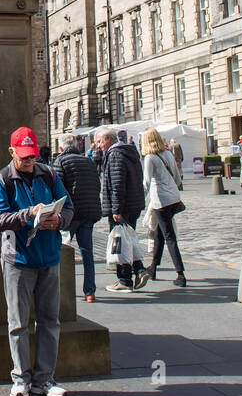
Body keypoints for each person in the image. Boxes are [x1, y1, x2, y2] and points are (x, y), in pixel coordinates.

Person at [0, 127, 73, 396]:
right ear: (11, 151)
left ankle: (44, 379)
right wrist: (28, 214)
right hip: (18, 259)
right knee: (18, 323)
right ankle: (20, 377)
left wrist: (58, 220)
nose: (29, 161)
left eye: (32, 156)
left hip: (49, 257)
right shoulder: (2, 180)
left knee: (50, 320)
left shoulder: (49, 175)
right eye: (24, 156)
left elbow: (70, 208)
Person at [95, 127, 148, 292]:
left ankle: (124, 280)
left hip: (122, 206)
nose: (98, 145)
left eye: (100, 141)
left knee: (120, 241)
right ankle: (139, 269)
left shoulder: (115, 154)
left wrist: (116, 209)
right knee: (129, 239)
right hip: (134, 203)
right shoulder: (129, 152)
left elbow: (117, 184)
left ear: (109, 139)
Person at [56, 134, 102, 303]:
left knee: (60, 251)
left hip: (71, 214)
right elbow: (96, 184)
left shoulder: (60, 161)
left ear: (61, 148)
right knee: (87, 253)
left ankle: (60, 290)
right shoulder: (88, 161)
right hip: (89, 212)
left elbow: (57, 189)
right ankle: (90, 291)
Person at [140, 128, 186, 287]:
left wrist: (140, 200)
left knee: (169, 237)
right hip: (174, 198)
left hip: (161, 200)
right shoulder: (167, 153)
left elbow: (146, 182)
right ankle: (153, 267)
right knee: (159, 233)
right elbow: (177, 177)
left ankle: (180, 274)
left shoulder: (149, 158)